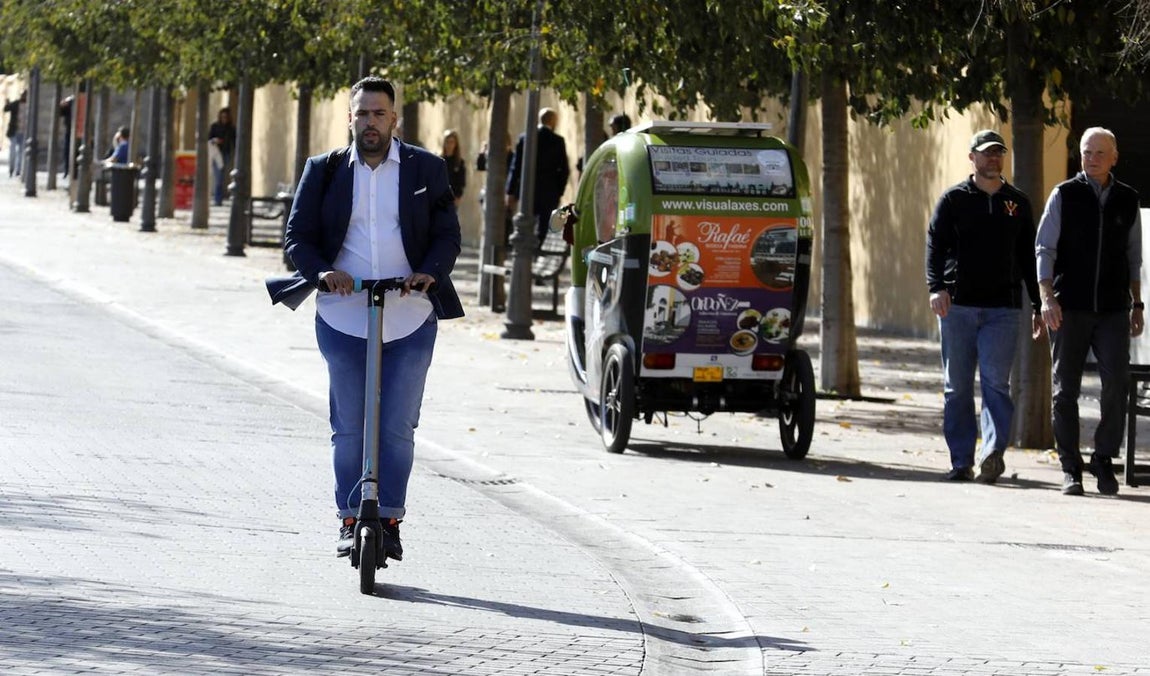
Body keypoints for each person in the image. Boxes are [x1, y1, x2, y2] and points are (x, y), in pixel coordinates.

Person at [282, 76, 463, 560]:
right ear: (350, 118)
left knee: (397, 426)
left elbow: (448, 234)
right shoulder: (323, 171)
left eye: (379, 114)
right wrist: (322, 272)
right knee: (349, 426)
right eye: (362, 113)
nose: (370, 122)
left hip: (409, 313)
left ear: (394, 119)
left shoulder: (427, 167)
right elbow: (297, 236)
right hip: (343, 314)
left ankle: (389, 517)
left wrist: (429, 272)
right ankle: (348, 516)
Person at [926, 129, 1042, 483]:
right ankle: (961, 460)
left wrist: (1038, 303)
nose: (993, 159)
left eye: (998, 153)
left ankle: (992, 453)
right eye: (986, 153)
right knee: (957, 386)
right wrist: (936, 287)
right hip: (957, 307)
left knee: (995, 383)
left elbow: (1027, 257)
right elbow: (935, 245)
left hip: (1003, 311)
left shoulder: (1018, 202)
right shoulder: (953, 200)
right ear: (972, 158)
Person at [1036, 127, 1143, 497]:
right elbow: (1044, 249)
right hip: (1069, 306)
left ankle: (1103, 458)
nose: (1092, 158)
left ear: (1114, 156)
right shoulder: (1064, 195)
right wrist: (1047, 297)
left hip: (1114, 309)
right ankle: (1071, 468)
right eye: (1086, 152)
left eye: (1100, 152)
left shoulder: (1128, 199)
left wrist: (1137, 304)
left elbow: (1134, 258)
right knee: (1065, 388)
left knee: (1116, 383)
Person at [506, 107, 570, 243]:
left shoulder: (525, 138)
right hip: (549, 191)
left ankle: (527, 252)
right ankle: (537, 252)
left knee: (525, 224)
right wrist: (559, 191)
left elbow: (515, 166)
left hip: (527, 190)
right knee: (543, 228)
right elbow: (564, 169)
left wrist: (511, 191)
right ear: (553, 122)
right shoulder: (558, 140)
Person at [208, 107, 236, 206]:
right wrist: (216, 140)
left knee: (223, 177)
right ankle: (217, 199)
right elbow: (209, 139)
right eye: (222, 117)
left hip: (226, 153)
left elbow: (234, 142)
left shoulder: (231, 128)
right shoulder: (215, 127)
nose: (224, 119)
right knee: (218, 177)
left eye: (226, 117)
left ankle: (220, 197)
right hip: (216, 154)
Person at [440, 129, 466, 207]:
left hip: (453, 199)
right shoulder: (439, 160)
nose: (449, 145)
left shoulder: (459, 162)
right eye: (447, 142)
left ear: (455, 144)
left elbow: (461, 182)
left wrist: (458, 197)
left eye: (452, 142)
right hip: (439, 199)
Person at [4, 90, 26, 178]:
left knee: (20, 152)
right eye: (22, 95)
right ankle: (11, 169)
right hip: (14, 131)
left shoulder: (30, 105)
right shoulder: (16, 104)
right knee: (13, 151)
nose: (23, 97)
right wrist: (7, 103)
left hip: (24, 132)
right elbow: (6, 109)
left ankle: (18, 170)